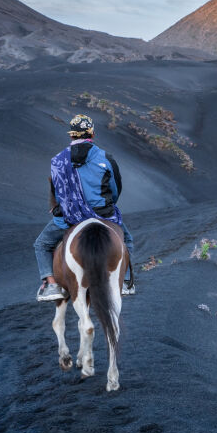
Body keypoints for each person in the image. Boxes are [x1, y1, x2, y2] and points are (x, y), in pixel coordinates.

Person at [34, 114, 135, 301]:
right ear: (92, 134)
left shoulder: (57, 161)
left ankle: (52, 285)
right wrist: (105, 204)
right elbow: (115, 189)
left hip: (70, 216)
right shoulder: (105, 157)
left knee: (42, 244)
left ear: (71, 135)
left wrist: (61, 208)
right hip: (102, 215)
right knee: (126, 240)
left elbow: (57, 190)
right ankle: (126, 282)